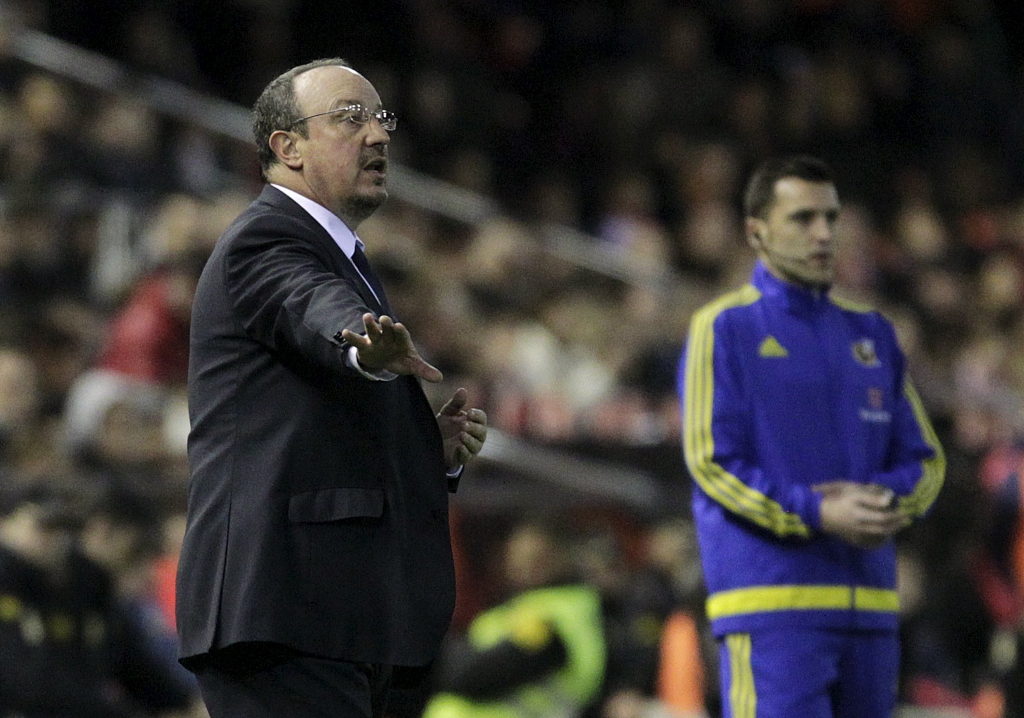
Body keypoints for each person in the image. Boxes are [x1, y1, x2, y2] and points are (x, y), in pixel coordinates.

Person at [174, 58, 488, 718]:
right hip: (284, 608)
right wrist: (362, 346)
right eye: (350, 119)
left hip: (332, 613)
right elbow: (310, 305)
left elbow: (317, 430)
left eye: (381, 119)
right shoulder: (264, 241)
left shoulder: (339, 253)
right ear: (287, 147)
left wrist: (424, 450)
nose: (378, 136)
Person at [676, 155, 945, 718]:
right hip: (771, 608)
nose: (823, 233)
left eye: (831, 217)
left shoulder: (873, 333)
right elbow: (712, 462)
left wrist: (881, 503)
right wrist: (818, 513)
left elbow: (924, 459)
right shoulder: (724, 328)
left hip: (870, 610)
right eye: (802, 219)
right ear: (757, 231)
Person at [422, 520, 606, 718]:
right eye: (516, 555)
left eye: (535, 557)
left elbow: (471, 676)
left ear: (560, 557)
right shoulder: (518, 606)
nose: (522, 565)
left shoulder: (554, 614)